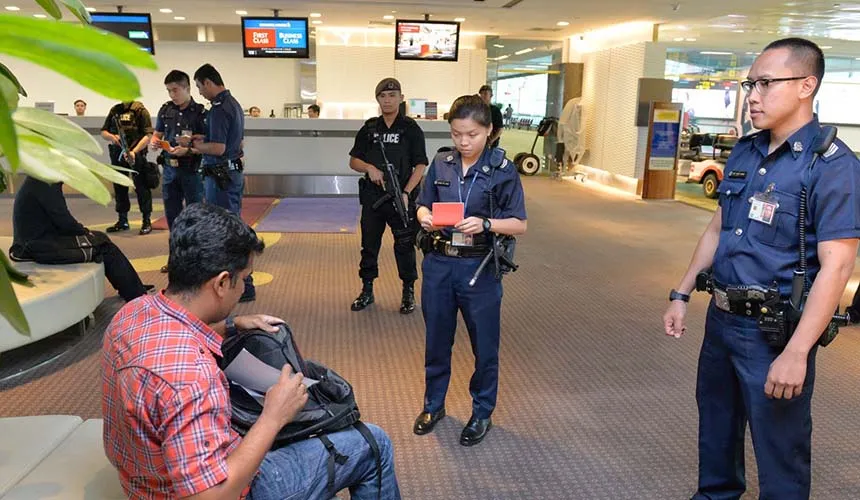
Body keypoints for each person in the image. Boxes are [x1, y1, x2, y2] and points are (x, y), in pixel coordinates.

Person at [663, 38, 860, 499]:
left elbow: (837, 267)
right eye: (750, 84)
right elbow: (718, 228)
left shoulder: (831, 165)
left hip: (774, 333)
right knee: (716, 429)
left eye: (766, 83)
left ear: (806, 85)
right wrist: (682, 292)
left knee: (779, 449)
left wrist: (797, 351)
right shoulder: (746, 151)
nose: (752, 95)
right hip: (722, 321)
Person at [101, 203, 401, 499]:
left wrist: (230, 326)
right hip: (225, 489)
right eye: (244, 279)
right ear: (221, 282)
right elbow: (211, 496)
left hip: (143, 481)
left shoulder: (133, 313)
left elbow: (175, 339)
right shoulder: (192, 377)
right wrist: (274, 416)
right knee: (374, 443)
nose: (244, 288)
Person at [413, 95, 527, 446]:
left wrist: (487, 223)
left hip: (479, 268)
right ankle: (433, 406)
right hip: (439, 265)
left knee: (484, 345)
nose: (463, 142)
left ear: (489, 131)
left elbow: (520, 223)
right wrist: (425, 216)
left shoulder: (503, 170)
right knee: (437, 341)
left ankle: (482, 412)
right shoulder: (442, 163)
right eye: (457, 133)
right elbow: (422, 204)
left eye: (472, 134)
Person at [348, 78, 428, 314]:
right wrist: (369, 168)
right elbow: (353, 161)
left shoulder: (411, 129)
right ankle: (367, 290)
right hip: (373, 199)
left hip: (400, 198)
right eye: (382, 96)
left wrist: (406, 193)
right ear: (377, 100)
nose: (387, 100)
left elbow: (420, 165)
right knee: (369, 245)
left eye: (392, 96)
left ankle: (408, 291)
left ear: (401, 98)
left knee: (405, 246)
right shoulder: (370, 129)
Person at [9, 176, 149, 302]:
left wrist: (84, 233)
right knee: (105, 247)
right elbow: (63, 219)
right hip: (37, 247)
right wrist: (84, 232)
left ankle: (132, 288)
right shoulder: (46, 183)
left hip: (35, 241)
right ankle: (136, 295)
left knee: (101, 239)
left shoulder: (38, 179)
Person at [191, 63, 255, 303]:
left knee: (226, 231)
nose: (200, 92)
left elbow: (218, 148)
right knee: (232, 226)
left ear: (208, 82)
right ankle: (240, 283)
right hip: (230, 173)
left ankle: (243, 284)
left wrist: (195, 146)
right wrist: (203, 138)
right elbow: (235, 142)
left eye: (200, 87)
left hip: (220, 176)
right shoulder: (233, 104)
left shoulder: (218, 109)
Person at [150, 70, 207, 273]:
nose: (172, 95)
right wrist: (154, 142)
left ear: (187, 88)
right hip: (169, 170)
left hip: (191, 170)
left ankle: (196, 259)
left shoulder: (200, 113)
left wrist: (188, 149)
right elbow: (157, 134)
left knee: (194, 215)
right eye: (168, 90)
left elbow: (205, 145)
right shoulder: (166, 110)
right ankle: (175, 258)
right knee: (172, 216)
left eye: (175, 90)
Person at [101, 101, 154, 235]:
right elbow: (104, 131)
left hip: (136, 154)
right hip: (118, 154)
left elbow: (148, 135)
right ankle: (122, 220)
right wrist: (112, 137)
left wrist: (134, 152)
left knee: (142, 188)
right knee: (120, 188)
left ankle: (146, 221)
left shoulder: (140, 110)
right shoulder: (115, 110)